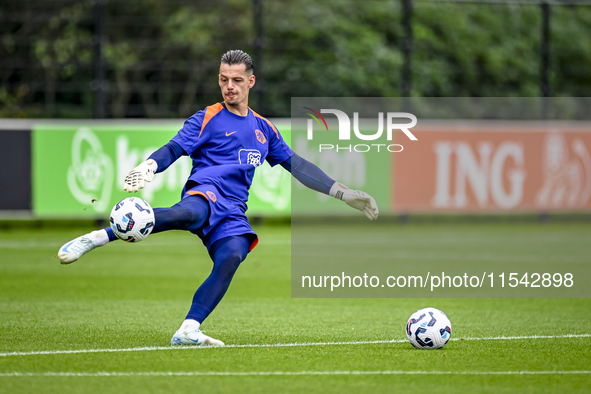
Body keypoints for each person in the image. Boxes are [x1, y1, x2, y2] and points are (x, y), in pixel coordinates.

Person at [57, 49, 378, 347]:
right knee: (189, 213)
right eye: (224, 79)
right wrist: (151, 165)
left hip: (234, 212)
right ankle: (98, 236)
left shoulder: (264, 129)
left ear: (251, 81)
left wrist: (342, 192)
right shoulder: (207, 117)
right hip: (204, 193)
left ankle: (188, 329)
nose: (229, 86)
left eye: (237, 80)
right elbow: (174, 148)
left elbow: (298, 166)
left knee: (233, 255)